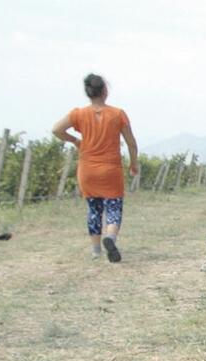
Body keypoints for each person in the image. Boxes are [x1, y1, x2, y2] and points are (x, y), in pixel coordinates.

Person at [52, 73, 139, 262]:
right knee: (114, 207)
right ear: (105, 91)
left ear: (88, 92)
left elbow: (56, 129)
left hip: (87, 170)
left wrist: (75, 140)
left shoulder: (78, 114)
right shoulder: (118, 114)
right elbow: (131, 143)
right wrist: (133, 163)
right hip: (111, 170)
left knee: (94, 209)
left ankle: (96, 250)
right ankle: (110, 237)